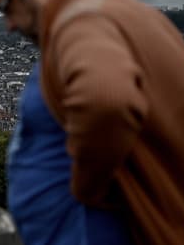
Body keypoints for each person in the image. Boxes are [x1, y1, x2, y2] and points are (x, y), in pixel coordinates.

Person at [0, 0, 184, 244]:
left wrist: (86, 187)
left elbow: (107, 100)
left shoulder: (80, 18)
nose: (8, 24)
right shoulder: (131, 15)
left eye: (6, 5)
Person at [8, 60, 131, 244]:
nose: (10, 29)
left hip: (80, 228)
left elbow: (109, 105)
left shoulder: (72, 37)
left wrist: (87, 184)